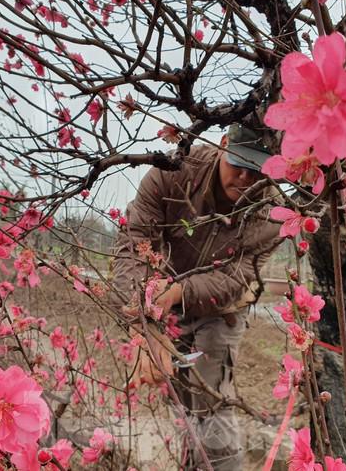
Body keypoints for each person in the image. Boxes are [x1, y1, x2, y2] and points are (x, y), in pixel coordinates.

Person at [111, 124, 282, 470]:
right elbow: (133, 243)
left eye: (259, 171)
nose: (247, 179)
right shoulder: (174, 174)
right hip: (158, 297)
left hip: (221, 311)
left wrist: (178, 291)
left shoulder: (272, 213)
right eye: (240, 165)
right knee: (182, 399)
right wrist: (144, 325)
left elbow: (234, 279)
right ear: (222, 145)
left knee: (210, 401)